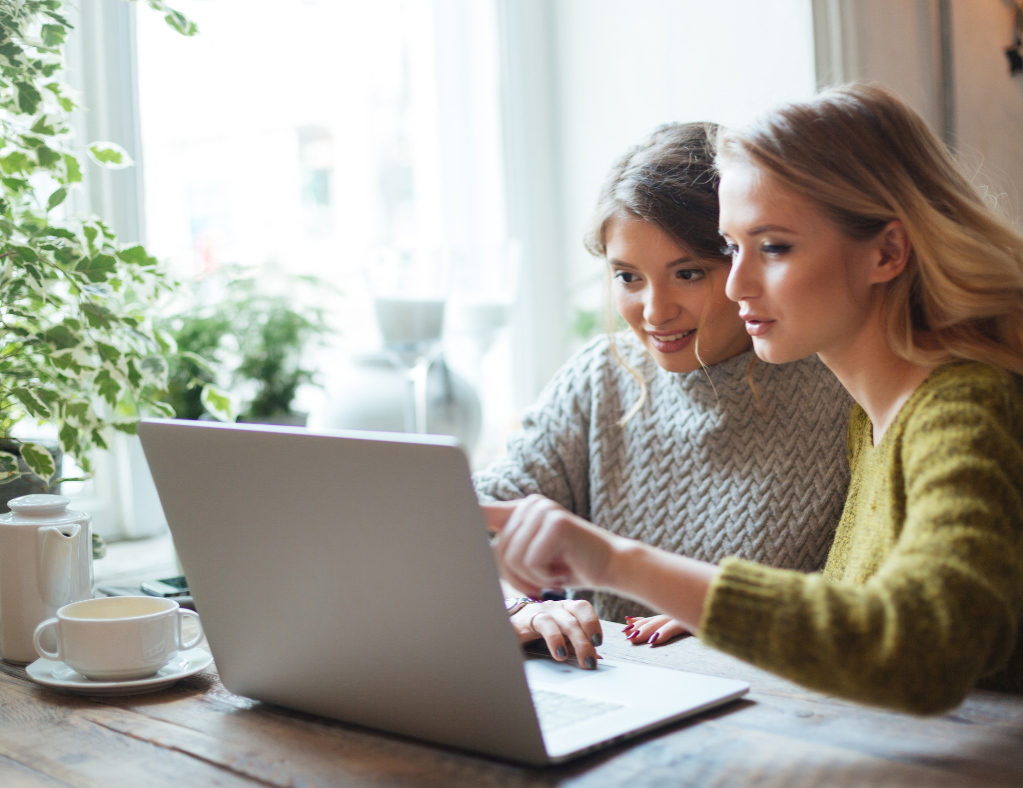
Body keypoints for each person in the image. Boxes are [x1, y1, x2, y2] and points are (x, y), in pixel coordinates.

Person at [487, 84, 1023, 713]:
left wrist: (622, 565)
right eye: (734, 248)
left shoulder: (961, 405)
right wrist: (730, 615)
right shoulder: (876, 412)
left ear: (887, 251)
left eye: (772, 248)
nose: (737, 284)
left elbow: (924, 649)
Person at [478, 123, 852, 669]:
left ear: (746, 262)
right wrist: (518, 607)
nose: (655, 312)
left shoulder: (841, 387)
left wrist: (731, 613)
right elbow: (472, 524)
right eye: (628, 277)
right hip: (616, 686)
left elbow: (869, 599)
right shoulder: (602, 377)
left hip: (779, 693)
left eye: (688, 273)